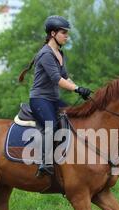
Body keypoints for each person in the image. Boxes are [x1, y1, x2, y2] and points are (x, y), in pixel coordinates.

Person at [19, 15, 91, 177]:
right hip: (40, 99)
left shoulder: (60, 53)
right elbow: (57, 80)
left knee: (74, 119)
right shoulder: (46, 54)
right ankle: (45, 163)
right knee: (51, 126)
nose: (67, 36)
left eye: (67, 33)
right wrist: (77, 89)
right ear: (53, 34)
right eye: (63, 32)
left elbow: (65, 77)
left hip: (53, 99)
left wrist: (81, 89)